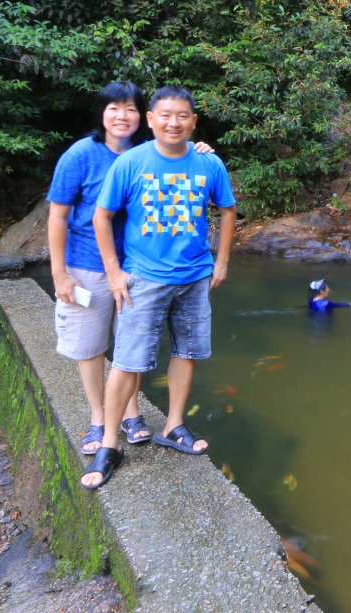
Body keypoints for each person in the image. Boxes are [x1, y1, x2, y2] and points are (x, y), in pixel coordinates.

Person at [80, 86, 237, 490]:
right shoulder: (132, 162)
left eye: (182, 115)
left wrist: (221, 261)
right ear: (150, 120)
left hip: (195, 276)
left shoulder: (208, 164)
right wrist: (114, 272)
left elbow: (228, 208)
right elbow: (101, 216)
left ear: (193, 121)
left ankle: (173, 425)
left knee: (187, 352)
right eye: (165, 115)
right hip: (144, 279)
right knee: (128, 361)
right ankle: (110, 443)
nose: (173, 122)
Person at [47, 81, 214, 456]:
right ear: (101, 113)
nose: (122, 116)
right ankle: (98, 418)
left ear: (144, 117)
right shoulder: (80, 155)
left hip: (139, 267)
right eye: (113, 108)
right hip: (88, 263)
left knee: (131, 345)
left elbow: (184, 164)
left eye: (130, 109)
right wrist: (59, 272)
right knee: (89, 345)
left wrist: (198, 150)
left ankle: (132, 415)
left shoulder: (150, 153)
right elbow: (58, 216)